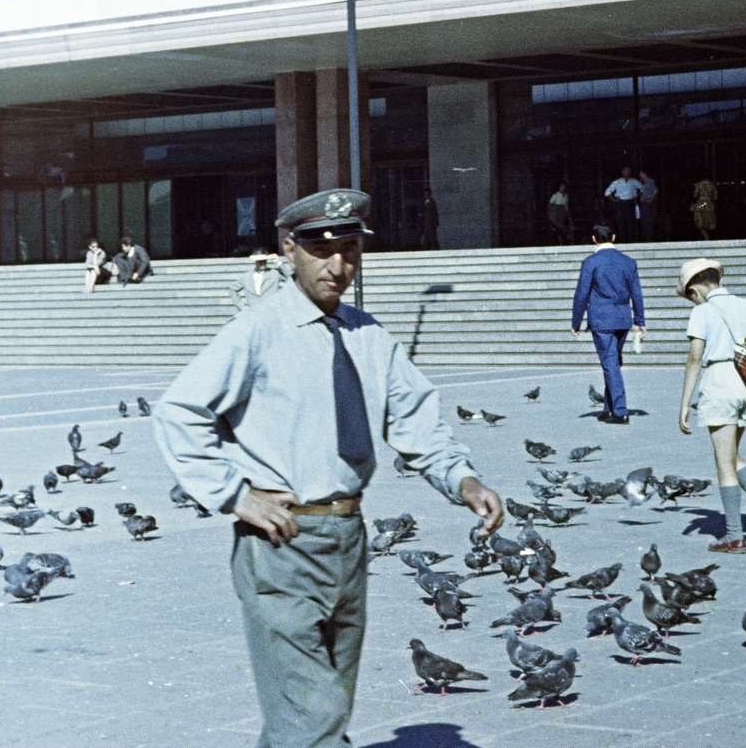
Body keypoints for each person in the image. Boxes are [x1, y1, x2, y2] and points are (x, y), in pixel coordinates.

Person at [152, 187, 503, 748]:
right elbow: (179, 410)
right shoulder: (258, 329)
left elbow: (414, 419)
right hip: (281, 544)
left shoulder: (369, 336)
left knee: (322, 707)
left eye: (350, 249)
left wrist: (462, 479)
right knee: (312, 718)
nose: (339, 265)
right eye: (322, 249)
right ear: (290, 250)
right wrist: (233, 494)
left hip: (348, 540)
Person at [675, 257, 746, 554]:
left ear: (695, 288)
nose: (691, 300)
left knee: (723, 462)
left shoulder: (702, 311)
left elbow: (695, 358)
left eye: (690, 296)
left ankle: (735, 536)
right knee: (731, 454)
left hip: (719, 383)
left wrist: (685, 403)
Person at [571, 223, 645, 425]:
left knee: (610, 363)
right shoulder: (629, 262)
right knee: (613, 362)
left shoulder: (591, 262)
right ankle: (609, 407)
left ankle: (620, 411)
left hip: (601, 318)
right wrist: (640, 321)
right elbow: (636, 293)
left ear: (594, 239)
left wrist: (576, 321)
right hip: (622, 317)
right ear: (613, 236)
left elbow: (582, 294)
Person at [604, 166, 642, 243]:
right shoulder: (617, 182)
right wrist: (614, 199)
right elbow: (607, 192)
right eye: (625, 171)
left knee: (631, 222)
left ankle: (631, 241)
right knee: (621, 222)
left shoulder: (634, 181)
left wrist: (636, 196)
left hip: (630, 203)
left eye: (628, 171)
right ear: (622, 172)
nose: (627, 172)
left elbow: (642, 188)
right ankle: (623, 241)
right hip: (621, 203)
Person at [638, 169, 660, 242]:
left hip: (648, 204)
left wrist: (651, 200)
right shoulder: (643, 182)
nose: (640, 175)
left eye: (641, 174)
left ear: (645, 174)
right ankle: (646, 238)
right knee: (645, 221)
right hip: (644, 203)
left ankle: (650, 239)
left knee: (648, 221)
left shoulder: (650, 182)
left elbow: (655, 191)